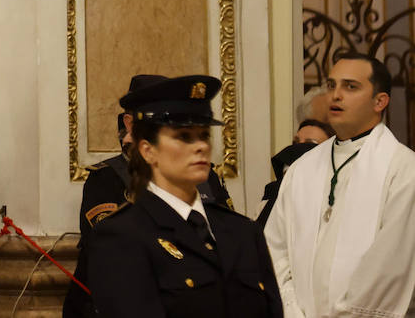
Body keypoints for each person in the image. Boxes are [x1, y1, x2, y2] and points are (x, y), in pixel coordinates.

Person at [87, 75, 282, 317]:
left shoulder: (243, 232)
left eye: (204, 136)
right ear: (148, 151)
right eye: (184, 137)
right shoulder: (123, 235)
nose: (200, 146)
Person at [64, 74, 235, 318]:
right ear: (131, 125)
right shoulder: (107, 179)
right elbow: (114, 258)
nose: (198, 146)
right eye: (180, 134)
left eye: (202, 134)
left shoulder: (213, 184)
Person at [264, 53, 415, 317]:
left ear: (380, 101)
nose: (335, 95)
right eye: (332, 85)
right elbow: (274, 251)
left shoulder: (403, 170)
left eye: (350, 86)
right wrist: (292, 311)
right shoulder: (302, 168)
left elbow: (388, 268)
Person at [257, 120, 334, 227]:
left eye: (310, 143)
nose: (297, 149)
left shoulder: (332, 195)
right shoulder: (273, 191)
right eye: (295, 142)